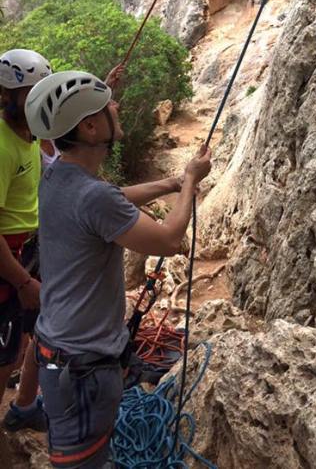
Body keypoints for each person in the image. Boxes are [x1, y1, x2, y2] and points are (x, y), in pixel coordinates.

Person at [25, 70, 212, 469]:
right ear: (92, 127)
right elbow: (167, 239)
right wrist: (191, 182)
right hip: (83, 368)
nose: (116, 106)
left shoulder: (58, 175)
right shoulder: (91, 196)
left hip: (59, 352)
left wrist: (171, 183)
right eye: (107, 104)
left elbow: (113, 198)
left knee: (82, 456)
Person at [0, 49, 52, 441]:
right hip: (9, 258)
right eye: (31, 93)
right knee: (3, 357)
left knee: (39, 333)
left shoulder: (30, 134)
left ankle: (23, 407)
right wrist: (20, 281)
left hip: (30, 248)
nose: (37, 100)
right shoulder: (1, 146)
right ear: (7, 96)